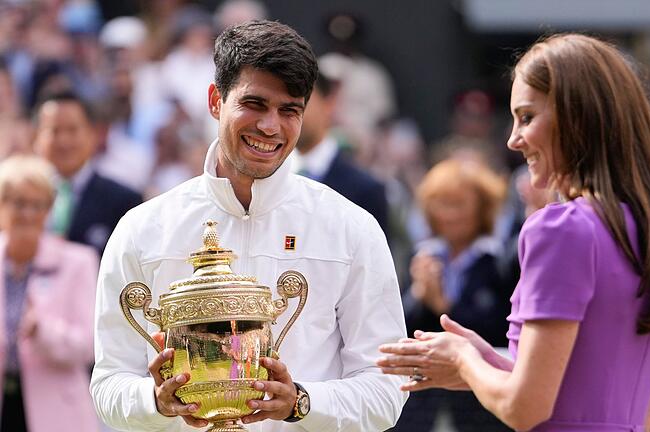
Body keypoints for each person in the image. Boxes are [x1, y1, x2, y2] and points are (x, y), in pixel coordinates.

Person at [378, 33, 650, 432]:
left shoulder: (562, 229)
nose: (513, 140)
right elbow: (615, 402)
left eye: (527, 117)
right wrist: (485, 364)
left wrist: (465, 359)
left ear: (577, 117)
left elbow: (525, 408)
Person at [90, 20, 408, 432]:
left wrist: (301, 401)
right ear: (215, 101)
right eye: (254, 104)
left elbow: (387, 390)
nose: (270, 127)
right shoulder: (143, 228)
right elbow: (108, 384)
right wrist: (155, 401)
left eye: (289, 110)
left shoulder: (351, 229)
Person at [394, 158, 511, 431]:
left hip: (479, 403)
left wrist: (445, 306)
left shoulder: (499, 262)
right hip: (423, 402)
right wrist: (420, 294)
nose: (449, 214)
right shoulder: (422, 255)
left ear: (482, 208)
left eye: (458, 204)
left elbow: (500, 330)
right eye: (441, 203)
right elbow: (400, 325)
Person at [0, 155, 100, 432]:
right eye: (19, 203)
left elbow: (90, 345)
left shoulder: (78, 261)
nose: (28, 214)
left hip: (56, 413)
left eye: (38, 204)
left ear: (49, 209)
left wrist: (42, 331)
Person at [32, 91, 144, 255]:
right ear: (36, 137)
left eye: (72, 130)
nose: (64, 141)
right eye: (54, 130)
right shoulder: (18, 199)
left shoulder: (124, 202)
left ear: (92, 135)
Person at [293, 71, 389, 237]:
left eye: (302, 100)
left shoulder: (365, 188)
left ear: (329, 103)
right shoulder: (264, 177)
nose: (291, 111)